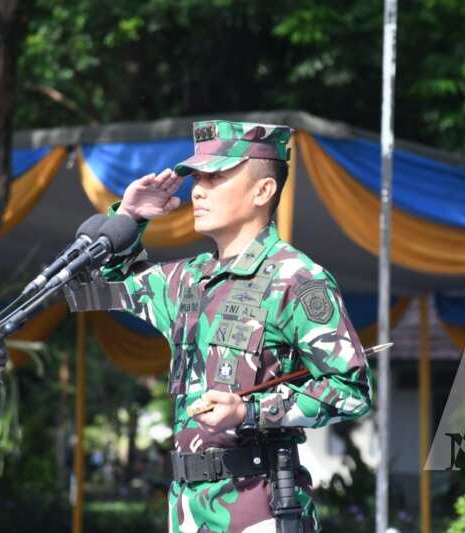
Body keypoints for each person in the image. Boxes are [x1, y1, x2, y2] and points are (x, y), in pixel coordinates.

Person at [64, 120, 372, 532]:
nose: (198, 190)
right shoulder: (187, 280)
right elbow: (95, 285)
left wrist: (250, 410)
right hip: (187, 508)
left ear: (263, 191)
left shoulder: (297, 279)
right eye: (197, 178)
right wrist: (130, 217)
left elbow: (352, 391)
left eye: (216, 176)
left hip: (258, 505)